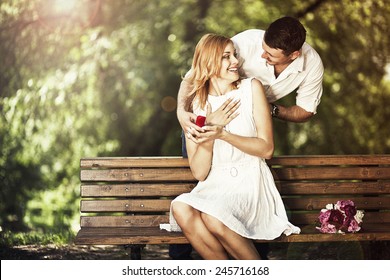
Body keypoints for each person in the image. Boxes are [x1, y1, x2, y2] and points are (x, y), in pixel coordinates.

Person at [170, 16, 323, 259]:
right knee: (180, 206)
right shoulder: (197, 105)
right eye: (227, 57)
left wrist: (226, 132)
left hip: (248, 180)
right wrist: (202, 123)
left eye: (234, 55)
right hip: (215, 183)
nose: (238, 61)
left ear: (293, 55)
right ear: (211, 64)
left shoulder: (254, 86)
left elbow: (272, 144)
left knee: (212, 215)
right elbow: (199, 173)